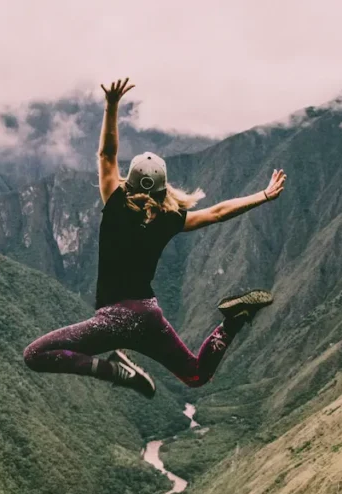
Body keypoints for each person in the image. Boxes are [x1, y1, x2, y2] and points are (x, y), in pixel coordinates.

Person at [23, 78, 286, 398]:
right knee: (196, 374)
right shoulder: (169, 218)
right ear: (163, 188)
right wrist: (263, 195)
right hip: (149, 316)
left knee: (35, 355)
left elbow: (107, 154)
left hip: (113, 320)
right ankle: (231, 323)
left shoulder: (116, 203)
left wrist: (111, 106)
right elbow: (217, 212)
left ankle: (114, 371)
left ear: (129, 181)